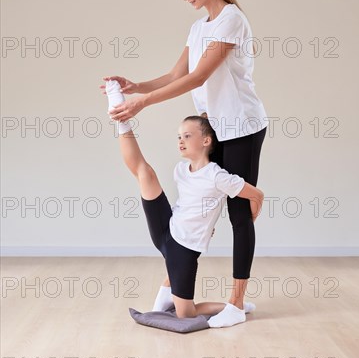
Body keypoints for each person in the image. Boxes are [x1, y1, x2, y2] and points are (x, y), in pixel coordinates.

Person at [100, 0, 268, 327]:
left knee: (238, 212)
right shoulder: (198, 29)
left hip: (241, 125)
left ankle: (237, 303)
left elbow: (197, 78)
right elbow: (178, 73)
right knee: (199, 198)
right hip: (214, 129)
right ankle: (177, 281)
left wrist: (142, 103)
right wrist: (136, 86)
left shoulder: (231, 21)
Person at [105, 79, 264, 326]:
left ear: (206, 141)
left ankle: (233, 307)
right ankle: (119, 116)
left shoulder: (219, 176)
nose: (180, 140)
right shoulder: (181, 169)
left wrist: (250, 216)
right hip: (165, 229)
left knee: (185, 315)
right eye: (179, 136)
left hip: (183, 249)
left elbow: (257, 194)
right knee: (144, 172)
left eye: (187, 136)